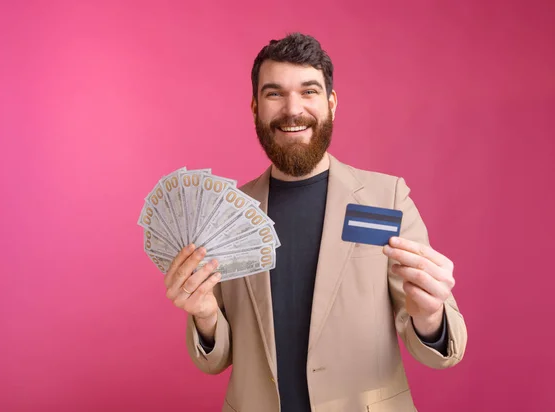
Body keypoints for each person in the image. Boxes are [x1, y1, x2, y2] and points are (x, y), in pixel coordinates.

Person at [163, 33, 467, 412]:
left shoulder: (386, 198)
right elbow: (215, 358)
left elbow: (443, 352)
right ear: (256, 107)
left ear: (331, 103)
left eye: (309, 91)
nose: (293, 110)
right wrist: (206, 316)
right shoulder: (227, 215)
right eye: (275, 94)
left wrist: (431, 317)